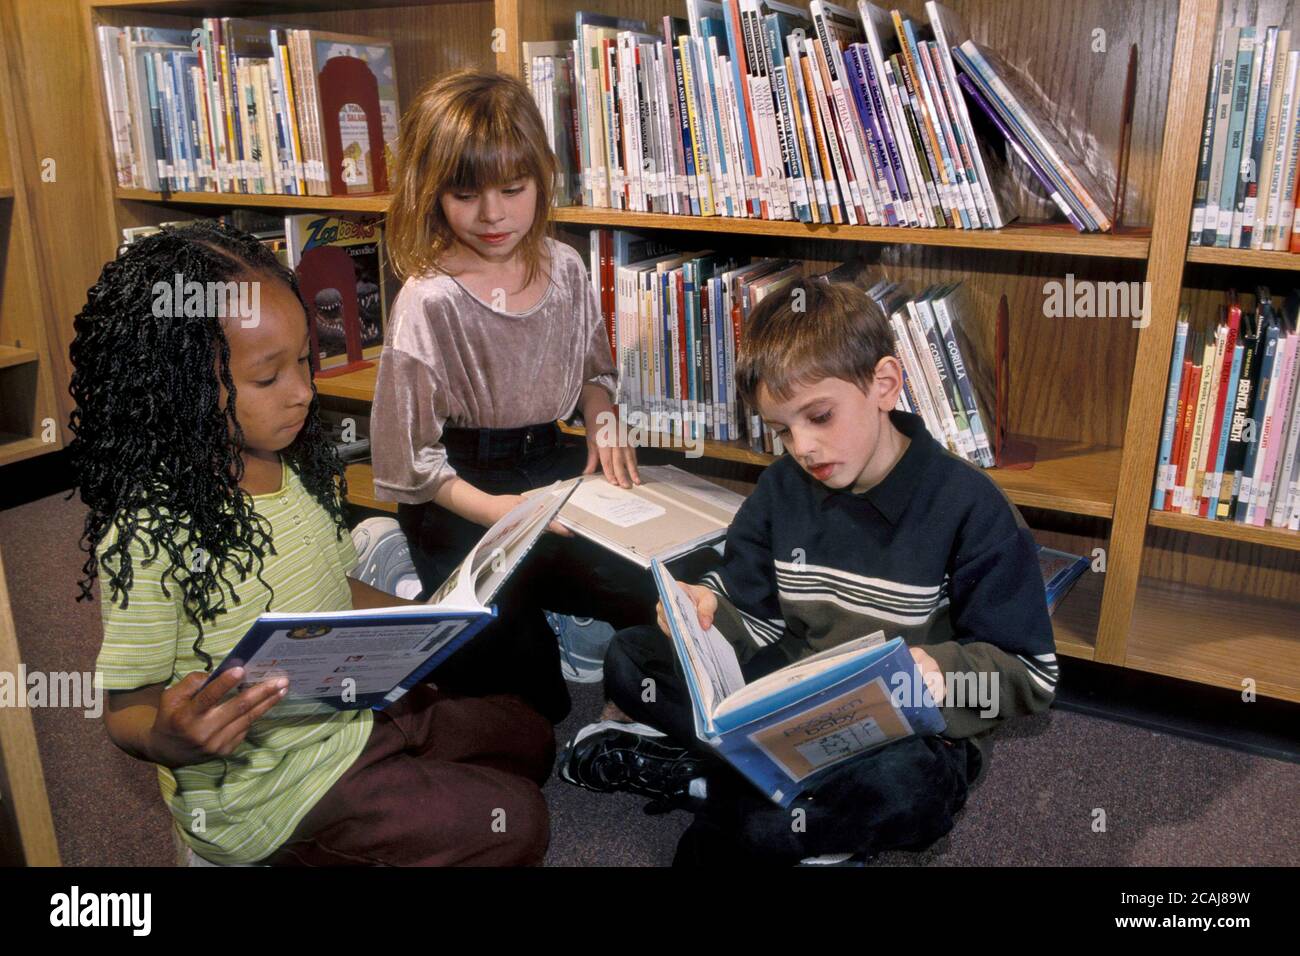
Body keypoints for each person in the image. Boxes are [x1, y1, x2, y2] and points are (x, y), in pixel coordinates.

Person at [70, 222, 553, 866]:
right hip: (273, 788)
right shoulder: (149, 531)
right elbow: (125, 707)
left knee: (531, 737)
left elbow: (334, 588)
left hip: (347, 708)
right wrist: (168, 739)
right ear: (178, 388)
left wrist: (426, 621)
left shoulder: (293, 463)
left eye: (303, 360)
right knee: (516, 823)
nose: (302, 392)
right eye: (268, 379)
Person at [560, 277, 1059, 865]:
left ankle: (712, 790)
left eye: (820, 416)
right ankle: (787, 810)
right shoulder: (782, 489)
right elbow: (752, 610)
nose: (804, 447)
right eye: (783, 430)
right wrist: (708, 611)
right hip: (791, 706)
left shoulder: (969, 507)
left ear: (885, 385)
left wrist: (943, 671)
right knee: (629, 657)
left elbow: (1031, 675)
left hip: (899, 733)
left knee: (911, 785)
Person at [372, 69, 715, 723]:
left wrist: (603, 419)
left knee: (674, 593)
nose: (493, 213)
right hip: (456, 492)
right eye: (465, 193)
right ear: (434, 192)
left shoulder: (566, 266)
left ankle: (558, 609)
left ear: (541, 179)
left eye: (513, 188)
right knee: (536, 705)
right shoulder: (427, 298)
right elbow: (410, 461)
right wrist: (499, 512)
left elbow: (594, 372)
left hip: (550, 471)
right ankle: (398, 569)